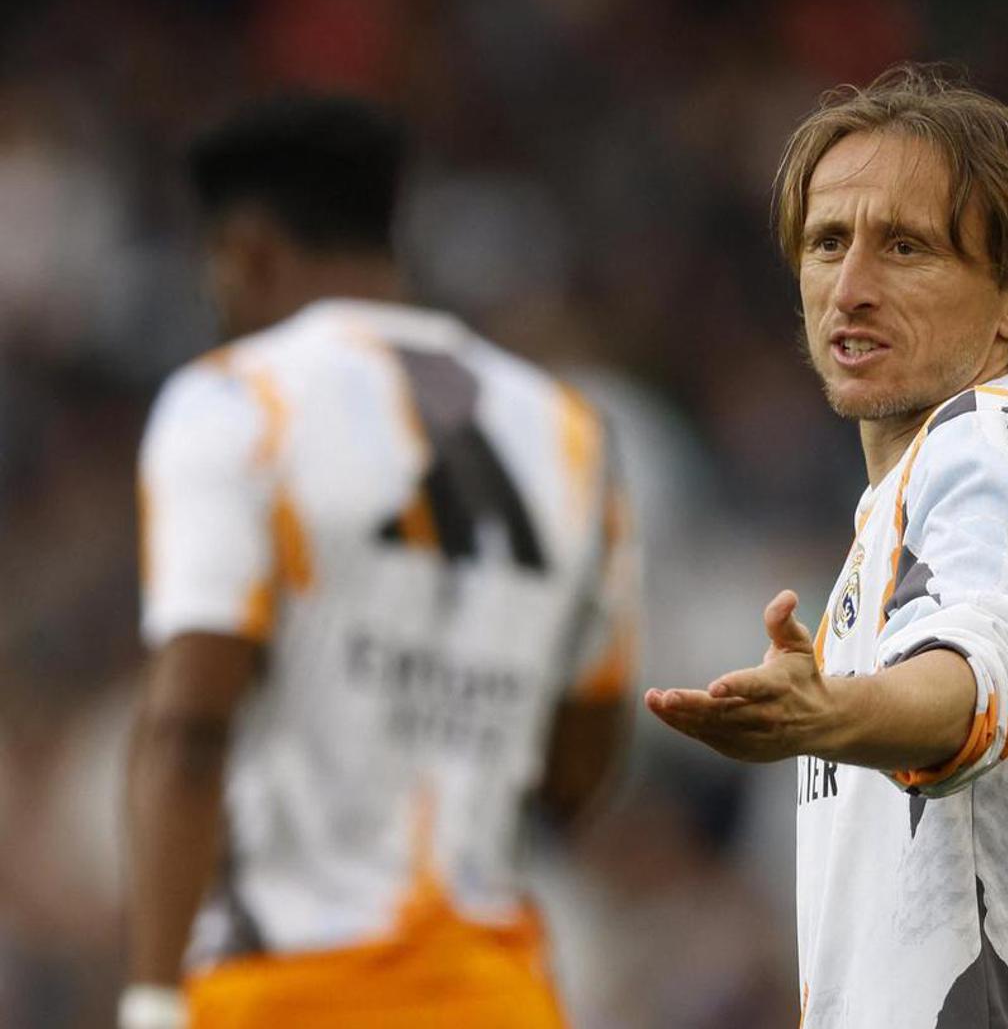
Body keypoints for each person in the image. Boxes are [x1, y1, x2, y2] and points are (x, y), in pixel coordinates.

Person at [646, 65, 1008, 1029]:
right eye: (827, 243)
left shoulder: (986, 437)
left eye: (905, 247)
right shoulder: (920, 489)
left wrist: (829, 714)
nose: (850, 289)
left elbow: (974, 670)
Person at [122, 94, 635, 1029]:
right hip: (497, 994)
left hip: (288, 989)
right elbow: (579, 763)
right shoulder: (573, 434)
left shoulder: (235, 401)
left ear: (248, 254)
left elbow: (190, 724)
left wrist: (152, 998)